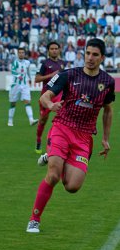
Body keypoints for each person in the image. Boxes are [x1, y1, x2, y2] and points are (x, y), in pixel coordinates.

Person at [26, 38, 115, 233]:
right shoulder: (68, 75)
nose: (90, 58)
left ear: (102, 58)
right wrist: (51, 105)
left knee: (72, 186)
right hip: (62, 128)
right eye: (88, 53)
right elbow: (44, 96)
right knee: (54, 175)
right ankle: (34, 219)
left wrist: (106, 138)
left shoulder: (108, 82)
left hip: (84, 137)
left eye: (95, 55)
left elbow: (108, 110)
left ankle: (52, 156)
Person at [34, 42, 66, 154]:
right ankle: (38, 139)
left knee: (63, 116)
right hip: (46, 95)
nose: (54, 50)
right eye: (52, 49)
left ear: (59, 50)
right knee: (43, 120)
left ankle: (57, 142)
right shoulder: (45, 64)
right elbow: (37, 79)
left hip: (59, 94)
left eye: (56, 48)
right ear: (48, 50)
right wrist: (50, 75)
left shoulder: (63, 63)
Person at [8, 47, 38, 127]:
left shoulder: (27, 62)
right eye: (20, 52)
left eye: (22, 52)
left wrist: (30, 78)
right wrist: (18, 76)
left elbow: (27, 71)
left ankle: (31, 120)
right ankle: (10, 120)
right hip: (15, 85)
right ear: (18, 54)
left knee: (27, 101)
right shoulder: (15, 62)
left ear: (24, 54)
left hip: (25, 85)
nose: (21, 54)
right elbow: (13, 71)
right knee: (13, 103)